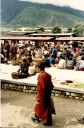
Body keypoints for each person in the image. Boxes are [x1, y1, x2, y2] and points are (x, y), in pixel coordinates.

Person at [32, 61, 55, 126]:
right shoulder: (48, 74)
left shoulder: (41, 75)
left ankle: (45, 121)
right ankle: (37, 117)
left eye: (36, 67)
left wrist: (39, 96)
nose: (36, 69)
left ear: (39, 68)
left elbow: (43, 87)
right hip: (47, 94)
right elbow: (51, 85)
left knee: (41, 107)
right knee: (46, 107)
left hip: (42, 95)